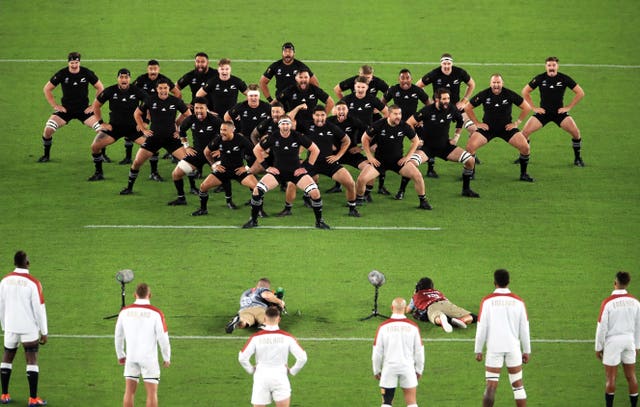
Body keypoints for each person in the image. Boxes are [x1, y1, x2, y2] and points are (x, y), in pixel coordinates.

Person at [242, 116, 330, 229]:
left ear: (291, 125)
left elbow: (315, 150)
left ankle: (319, 222)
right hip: (278, 172)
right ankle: (253, 221)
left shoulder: (297, 136)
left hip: (296, 172)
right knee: (257, 191)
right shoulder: (273, 136)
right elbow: (256, 149)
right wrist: (267, 167)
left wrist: (306, 167)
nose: (285, 126)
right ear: (279, 125)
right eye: (283, 124)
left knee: (315, 193)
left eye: (287, 123)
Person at [398, 87, 478, 199]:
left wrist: (456, 137)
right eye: (444, 99)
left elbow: (460, 120)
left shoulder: (451, 108)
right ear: (436, 99)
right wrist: (416, 139)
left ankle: (466, 189)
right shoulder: (427, 110)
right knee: (410, 165)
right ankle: (401, 191)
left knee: (470, 160)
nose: (447, 101)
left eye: (448, 98)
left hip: (444, 146)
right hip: (427, 148)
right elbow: (409, 123)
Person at [120, 78, 191, 195]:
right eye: (160, 88)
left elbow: (188, 115)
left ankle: (193, 187)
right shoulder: (149, 100)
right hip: (154, 138)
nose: (163, 90)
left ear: (169, 89)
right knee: (137, 162)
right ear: (156, 89)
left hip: (171, 138)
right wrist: (143, 129)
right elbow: (137, 114)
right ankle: (129, 188)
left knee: (187, 162)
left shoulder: (176, 101)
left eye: (165, 88)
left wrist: (179, 129)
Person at [355, 105, 432, 210]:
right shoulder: (379, 124)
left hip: (397, 161)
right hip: (379, 161)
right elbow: (365, 139)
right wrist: (369, 157)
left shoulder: (404, 126)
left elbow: (416, 141)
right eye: (395, 114)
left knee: (417, 175)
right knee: (361, 179)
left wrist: (407, 157)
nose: (398, 117)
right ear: (389, 114)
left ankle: (423, 201)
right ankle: (359, 199)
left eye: (399, 114)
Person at [474, 269, 531, 407]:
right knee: (518, 385)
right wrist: (527, 350)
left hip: (494, 348)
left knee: (491, 386)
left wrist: (478, 350)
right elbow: (524, 328)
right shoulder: (518, 301)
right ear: (508, 282)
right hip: (513, 348)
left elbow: (482, 327)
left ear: (494, 282)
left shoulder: (487, 301)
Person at [464, 74, 534, 183]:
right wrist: (477, 123)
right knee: (470, 147)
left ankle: (523, 174)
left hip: (506, 128)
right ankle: (471, 173)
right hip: (488, 128)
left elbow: (527, 107)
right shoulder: (484, 94)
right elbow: (468, 107)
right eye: (494, 82)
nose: (496, 85)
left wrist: (516, 123)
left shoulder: (509, 94)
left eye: (498, 82)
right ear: (490, 83)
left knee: (525, 147)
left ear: (502, 83)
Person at [417, 53, 477, 178]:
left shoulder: (459, 72)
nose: (446, 66)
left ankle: (470, 157)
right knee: (434, 134)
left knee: (473, 130)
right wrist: (430, 102)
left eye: (448, 63)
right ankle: (430, 168)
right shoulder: (434, 74)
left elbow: (472, 84)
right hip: (438, 109)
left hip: (456, 108)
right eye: (444, 63)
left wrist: (464, 101)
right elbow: (418, 86)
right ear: (441, 64)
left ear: (452, 63)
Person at [0, 251, 48, 407]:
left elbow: (1, 306)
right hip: (28, 328)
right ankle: (33, 399)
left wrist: (4, 326)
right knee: (31, 360)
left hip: (10, 326)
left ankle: (4, 394)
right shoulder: (33, 283)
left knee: (7, 357)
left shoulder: (4, 281)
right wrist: (44, 331)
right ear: (27, 263)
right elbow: (39, 310)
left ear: (14, 263)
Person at [39, 51, 104, 163]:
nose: (74, 65)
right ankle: (46, 156)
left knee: (102, 131)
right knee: (48, 130)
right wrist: (55, 105)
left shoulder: (86, 73)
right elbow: (47, 88)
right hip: (66, 110)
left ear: (79, 62)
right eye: (72, 63)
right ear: (68, 62)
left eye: (76, 63)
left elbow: (100, 88)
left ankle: (103, 156)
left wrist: (93, 106)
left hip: (84, 110)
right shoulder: (62, 73)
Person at [520, 56, 586, 166]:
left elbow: (580, 92)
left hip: (559, 113)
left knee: (576, 133)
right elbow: (525, 91)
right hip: (544, 113)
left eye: (553, 65)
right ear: (546, 66)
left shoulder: (564, 78)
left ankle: (578, 159)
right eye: (549, 65)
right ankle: (523, 155)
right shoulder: (540, 78)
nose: (551, 67)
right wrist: (534, 107)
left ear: (557, 66)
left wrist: (568, 107)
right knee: (524, 133)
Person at [296, 105, 360, 217]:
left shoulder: (331, 126)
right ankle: (299, 202)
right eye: (317, 115)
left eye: (322, 115)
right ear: (313, 116)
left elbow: (346, 141)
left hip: (329, 162)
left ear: (326, 115)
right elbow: (291, 123)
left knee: (350, 183)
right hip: (312, 163)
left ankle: (352, 208)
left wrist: (338, 156)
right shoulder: (307, 125)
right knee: (294, 183)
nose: (320, 118)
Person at [238, 306, 307, 407]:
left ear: (265, 319)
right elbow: (303, 358)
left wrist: (251, 370)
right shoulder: (287, 337)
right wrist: (292, 371)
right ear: (279, 319)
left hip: (261, 376)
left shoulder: (255, 337)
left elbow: (242, 358)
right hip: (280, 376)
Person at [115, 283, 170, 407]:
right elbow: (163, 337)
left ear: (135, 295)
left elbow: (118, 335)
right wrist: (166, 357)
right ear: (149, 295)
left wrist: (121, 355)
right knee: (151, 393)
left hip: (131, 357)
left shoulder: (124, 312)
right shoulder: (156, 313)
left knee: (129, 392)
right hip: (149, 359)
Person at [88, 68, 149, 181]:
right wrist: (101, 123)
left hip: (133, 128)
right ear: (118, 79)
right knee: (95, 147)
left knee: (153, 146)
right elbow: (96, 105)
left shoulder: (137, 91)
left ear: (129, 79)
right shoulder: (110, 91)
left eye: (126, 77)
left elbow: (149, 103)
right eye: (121, 77)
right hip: (114, 128)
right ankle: (98, 173)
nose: (124, 79)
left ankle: (154, 173)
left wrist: (145, 122)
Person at [191, 121, 258, 215]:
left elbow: (255, 153)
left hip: (238, 170)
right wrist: (214, 165)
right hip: (223, 170)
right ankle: (203, 209)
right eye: (221, 129)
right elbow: (206, 151)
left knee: (257, 188)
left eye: (225, 130)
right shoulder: (219, 139)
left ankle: (259, 211)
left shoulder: (241, 139)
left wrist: (247, 168)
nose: (222, 132)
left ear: (232, 130)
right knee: (203, 186)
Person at [595, 271, 640, 407]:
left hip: (612, 343)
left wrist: (598, 347)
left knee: (611, 379)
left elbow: (601, 327)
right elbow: (639, 326)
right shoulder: (635, 302)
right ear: (627, 284)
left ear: (615, 283)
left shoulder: (608, 303)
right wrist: (637, 345)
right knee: (631, 377)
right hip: (629, 341)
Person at [167, 97, 221, 206]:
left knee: (224, 176)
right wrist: (186, 146)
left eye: (201, 108)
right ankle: (181, 199)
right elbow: (181, 131)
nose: (198, 111)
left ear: (206, 108)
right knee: (176, 174)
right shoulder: (190, 119)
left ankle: (229, 201)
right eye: (196, 108)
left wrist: (221, 149)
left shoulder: (215, 120)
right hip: (197, 154)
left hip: (213, 155)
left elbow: (227, 135)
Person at [372, 298, 424, 407]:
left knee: (386, 403)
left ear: (392, 308)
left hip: (389, 368)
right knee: (412, 402)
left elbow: (377, 352)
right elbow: (419, 351)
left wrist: (376, 370)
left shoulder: (383, 327)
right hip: (407, 368)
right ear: (405, 309)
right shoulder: (413, 327)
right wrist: (419, 370)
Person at [133, 59, 181, 173]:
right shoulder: (141, 79)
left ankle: (172, 153)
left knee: (168, 134)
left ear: (158, 69)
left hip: (163, 112)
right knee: (136, 131)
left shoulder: (164, 80)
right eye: (151, 69)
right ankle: (131, 158)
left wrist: (174, 104)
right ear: (147, 69)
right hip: (146, 110)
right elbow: (132, 92)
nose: (153, 71)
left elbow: (177, 93)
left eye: (155, 69)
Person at [406, 277, 476, 333]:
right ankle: (462, 320)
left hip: (431, 306)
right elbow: (447, 300)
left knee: (435, 317)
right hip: (445, 303)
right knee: (473, 316)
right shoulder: (437, 292)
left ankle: (442, 319)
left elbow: (408, 310)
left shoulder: (417, 295)